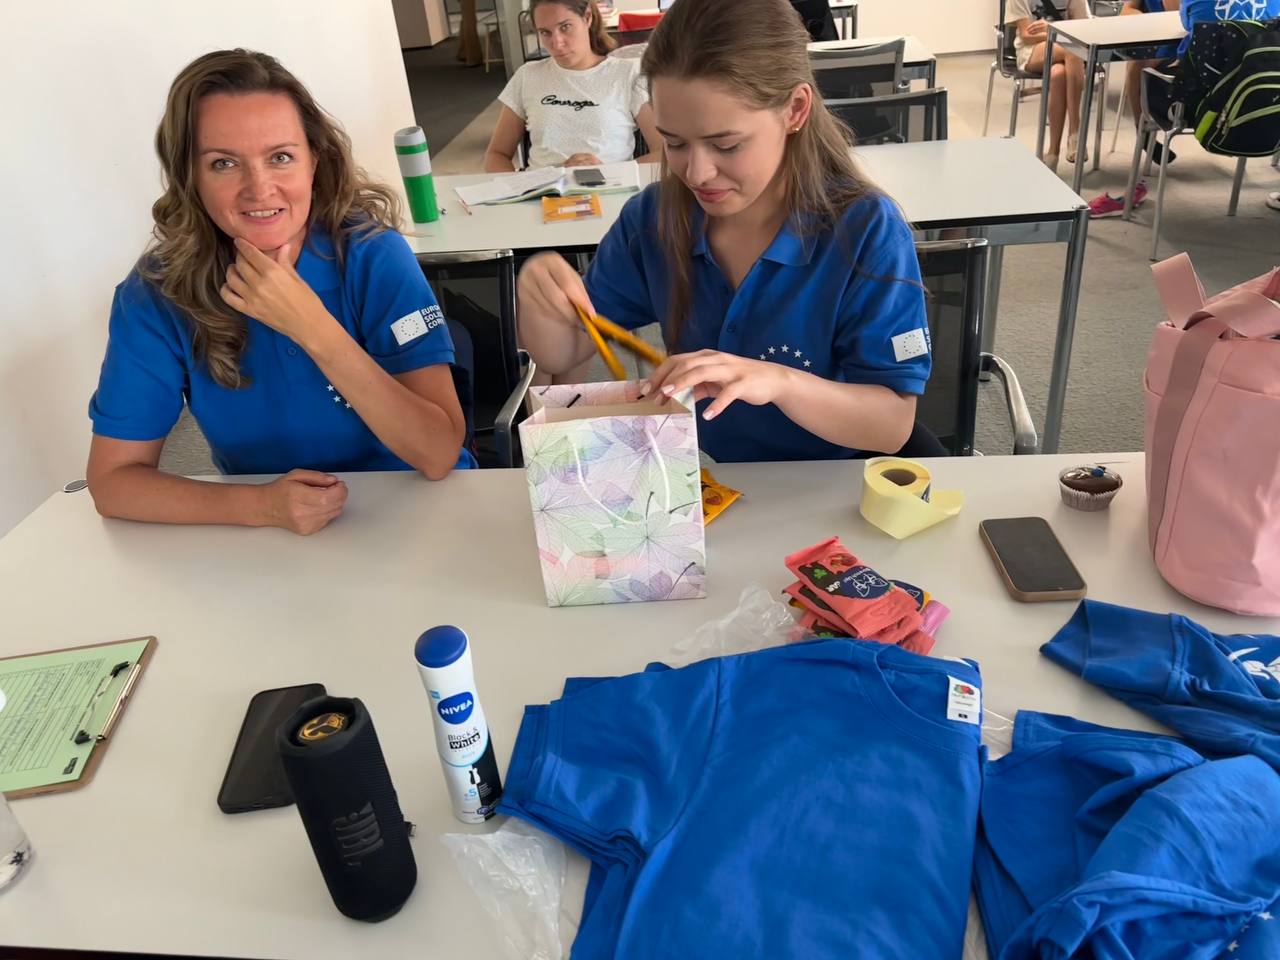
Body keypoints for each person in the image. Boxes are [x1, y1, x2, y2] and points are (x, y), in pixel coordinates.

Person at [517, 0, 931, 463]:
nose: (697, 173)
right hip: (710, 478)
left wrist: (778, 380)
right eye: (674, 142)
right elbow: (562, 354)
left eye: (726, 144)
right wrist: (541, 298)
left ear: (795, 109)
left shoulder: (864, 230)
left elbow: (892, 425)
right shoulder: (653, 218)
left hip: (831, 483)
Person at [87, 50, 473, 535]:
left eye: (280, 157)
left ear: (314, 160)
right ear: (190, 177)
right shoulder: (155, 293)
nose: (259, 187)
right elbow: (113, 481)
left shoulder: (374, 256)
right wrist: (261, 506)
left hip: (421, 509)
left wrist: (312, 327)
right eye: (223, 163)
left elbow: (438, 453)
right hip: (274, 537)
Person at [484, 0, 661, 171]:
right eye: (545, 32)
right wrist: (518, 187)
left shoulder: (627, 74)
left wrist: (610, 171)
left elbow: (663, 152)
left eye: (565, 27)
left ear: (587, 17)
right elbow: (496, 154)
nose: (557, 43)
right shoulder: (527, 76)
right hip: (541, 189)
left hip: (612, 186)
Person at [1006, 0, 1090, 172]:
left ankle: (1052, 153)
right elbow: (1026, 35)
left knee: (1058, 74)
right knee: (1073, 49)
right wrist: (1056, 32)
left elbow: (1084, 28)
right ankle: (1076, 130)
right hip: (1032, 50)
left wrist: (1052, 29)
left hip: (1065, 46)